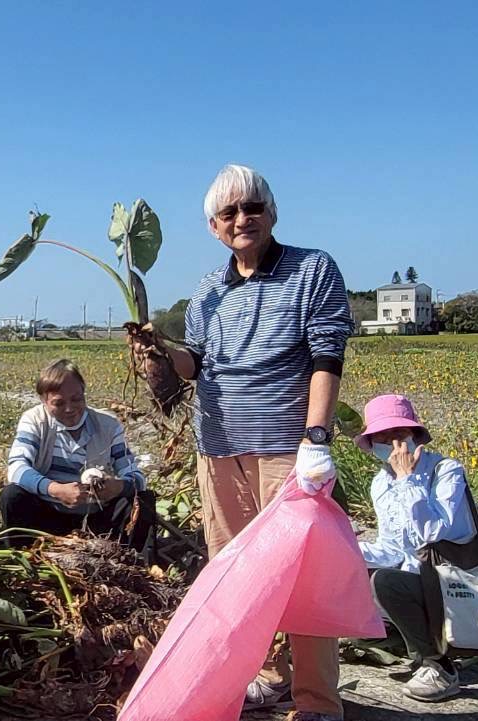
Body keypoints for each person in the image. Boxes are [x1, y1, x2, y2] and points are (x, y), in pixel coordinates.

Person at [130, 164, 355, 721]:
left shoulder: (312, 269)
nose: (242, 219)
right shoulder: (209, 288)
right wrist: (161, 349)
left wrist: (317, 438)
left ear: (272, 213)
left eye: (252, 207)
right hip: (219, 447)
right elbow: (197, 365)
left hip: (287, 447)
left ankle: (318, 701)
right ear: (213, 226)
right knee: (238, 570)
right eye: (229, 212)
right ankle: (272, 676)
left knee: (303, 575)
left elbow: (328, 356)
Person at [356, 394, 478, 702]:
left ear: (415, 437)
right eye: (382, 438)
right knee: (352, 574)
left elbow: (433, 534)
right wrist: (347, 550)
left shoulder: (445, 471)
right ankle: (415, 643)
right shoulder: (380, 483)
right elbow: (392, 549)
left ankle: (440, 667)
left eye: (399, 435)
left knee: (386, 582)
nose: (393, 445)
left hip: (456, 579)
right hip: (419, 578)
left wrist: (408, 480)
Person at [0, 359, 155, 550]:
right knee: (12, 496)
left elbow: (137, 476)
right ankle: (22, 555)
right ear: (43, 401)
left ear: (83, 392)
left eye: (76, 399)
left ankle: (138, 563)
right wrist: (55, 490)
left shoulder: (109, 425)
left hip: (96, 517)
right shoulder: (34, 421)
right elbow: (16, 469)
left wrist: (119, 486)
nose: (70, 409)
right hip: (47, 516)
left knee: (143, 499)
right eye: (58, 403)